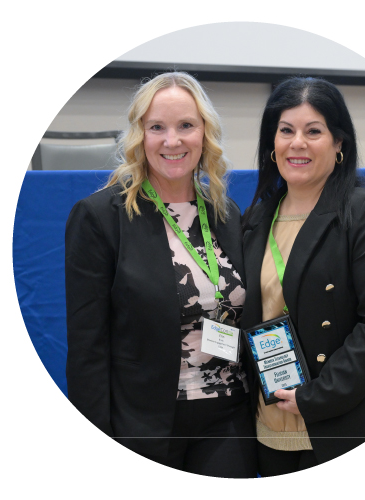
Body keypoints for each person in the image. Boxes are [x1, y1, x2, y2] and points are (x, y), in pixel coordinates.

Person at [65, 72, 257, 478]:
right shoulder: (100, 218)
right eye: (157, 127)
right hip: (144, 426)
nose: (172, 141)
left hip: (229, 419)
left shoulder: (225, 213)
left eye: (186, 125)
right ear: (139, 135)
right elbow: (87, 350)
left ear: (204, 133)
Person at [241, 76, 365, 476]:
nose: (297, 143)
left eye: (313, 131)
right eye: (286, 131)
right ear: (272, 144)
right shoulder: (255, 218)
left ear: (339, 143)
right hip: (269, 426)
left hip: (346, 422)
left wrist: (317, 396)